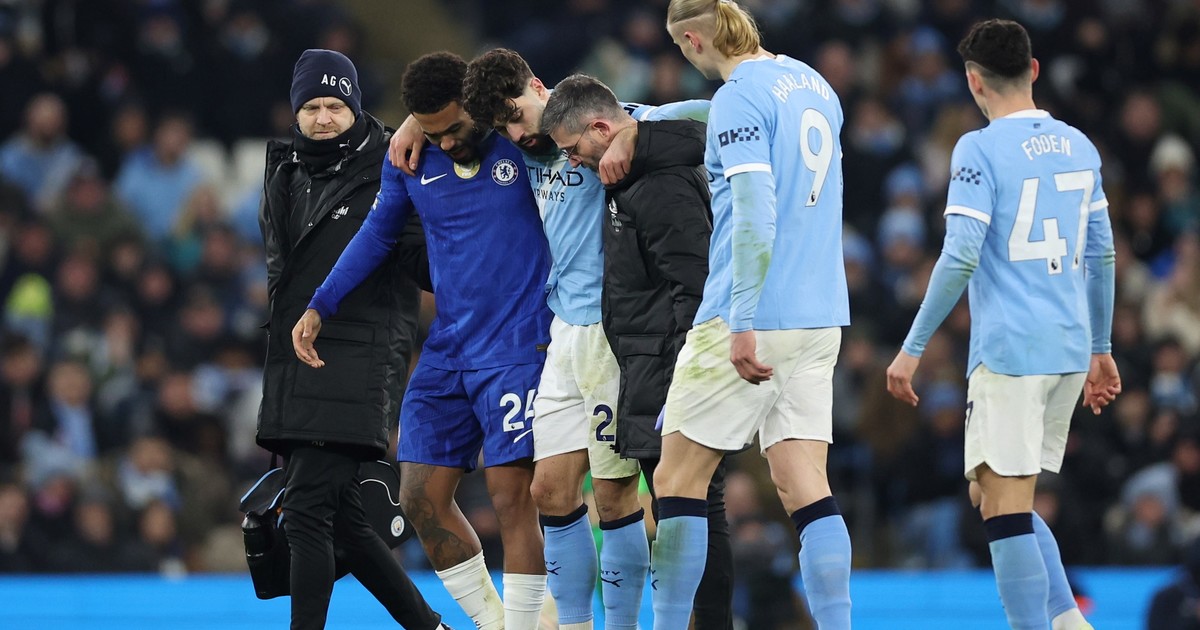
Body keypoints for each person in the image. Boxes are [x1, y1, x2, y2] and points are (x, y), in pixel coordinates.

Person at [391, 47, 718, 629]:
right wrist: (414, 122)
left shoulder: (596, 126)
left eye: (518, 117)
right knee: (549, 491)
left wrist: (633, 135)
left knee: (615, 496)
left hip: (608, 331)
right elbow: (459, 98)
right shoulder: (521, 147)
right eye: (503, 127)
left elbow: (712, 116)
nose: (517, 134)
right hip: (559, 332)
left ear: (539, 86)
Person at [293, 51, 551, 630]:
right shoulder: (410, 158)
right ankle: (494, 624)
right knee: (418, 498)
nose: (447, 142)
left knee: (512, 497)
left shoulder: (520, 142)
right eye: (433, 132)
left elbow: (543, 93)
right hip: (449, 350)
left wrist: (417, 121)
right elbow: (377, 233)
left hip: (520, 345)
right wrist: (321, 302)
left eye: (454, 128)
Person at [885, 19, 1121, 630]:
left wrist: (912, 347)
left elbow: (960, 254)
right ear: (1033, 70)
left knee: (1005, 509)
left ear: (973, 81)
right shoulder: (1080, 145)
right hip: (1068, 349)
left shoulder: (978, 148)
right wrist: (1100, 347)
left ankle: (1043, 624)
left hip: (1012, 351)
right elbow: (1102, 255)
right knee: (991, 494)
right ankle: (1067, 618)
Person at [653, 1, 853, 628]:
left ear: (692, 41)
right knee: (804, 484)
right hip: (819, 314)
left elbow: (755, 212)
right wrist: (652, 114)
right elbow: (736, 121)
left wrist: (741, 320)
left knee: (676, 480)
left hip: (753, 312)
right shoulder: (812, 83)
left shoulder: (738, 96)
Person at [256, 49, 445, 630]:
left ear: (356, 109)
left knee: (306, 512)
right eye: (311, 106)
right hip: (298, 356)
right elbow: (279, 268)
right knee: (344, 521)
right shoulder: (284, 170)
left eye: (335, 106)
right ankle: (430, 627)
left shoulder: (395, 161)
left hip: (360, 354)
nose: (323, 118)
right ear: (295, 112)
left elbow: (422, 257)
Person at [540, 73, 736, 630]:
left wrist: (686, 372)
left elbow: (693, 283)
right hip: (648, 356)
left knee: (693, 504)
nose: (571, 162)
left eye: (573, 148)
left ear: (603, 128)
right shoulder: (631, 178)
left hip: (668, 361)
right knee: (686, 502)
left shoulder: (660, 184)